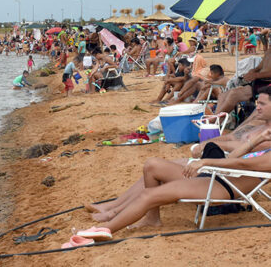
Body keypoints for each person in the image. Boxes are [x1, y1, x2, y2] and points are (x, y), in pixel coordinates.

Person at [76, 87, 271, 238]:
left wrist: (206, 162)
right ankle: (147, 219)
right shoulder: (261, 131)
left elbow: (243, 165)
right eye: (257, 103)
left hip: (223, 184)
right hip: (218, 175)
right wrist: (252, 141)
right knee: (152, 166)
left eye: (262, 104)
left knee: (149, 195)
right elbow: (236, 154)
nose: (257, 108)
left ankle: (102, 230)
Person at [215, 47, 271, 114]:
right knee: (222, 95)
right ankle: (217, 119)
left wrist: (256, 75)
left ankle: (215, 120)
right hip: (259, 82)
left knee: (233, 95)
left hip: (266, 84)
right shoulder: (269, 51)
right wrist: (252, 71)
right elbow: (259, 67)